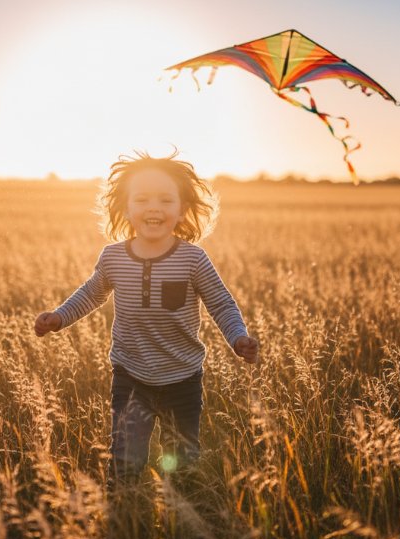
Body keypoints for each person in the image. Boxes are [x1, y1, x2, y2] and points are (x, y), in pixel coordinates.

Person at [33, 151, 259, 487]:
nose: (154, 207)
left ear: (182, 209)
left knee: (182, 462)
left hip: (183, 378)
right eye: (142, 199)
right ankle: (124, 516)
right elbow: (93, 293)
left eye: (166, 200)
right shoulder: (113, 257)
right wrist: (60, 317)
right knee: (125, 458)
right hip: (130, 376)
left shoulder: (192, 259)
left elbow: (221, 304)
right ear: (126, 207)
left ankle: (180, 521)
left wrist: (238, 337)